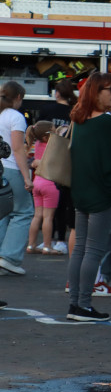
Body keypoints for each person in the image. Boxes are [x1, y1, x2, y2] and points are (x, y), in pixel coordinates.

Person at [65, 72, 111, 321]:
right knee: (93, 250)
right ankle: (83, 305)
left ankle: (75, 304)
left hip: (81, 190)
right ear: (96, 92)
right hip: (102, 192)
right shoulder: (105, 122)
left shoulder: (78, 120)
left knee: (81, 248)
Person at [40, 77, 76, 252]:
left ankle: (47, 239)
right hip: (66, 160)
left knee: (45, 206)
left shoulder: (47, 110)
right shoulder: (73, 112)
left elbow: (37, 130)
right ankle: (61, 239)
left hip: (45, 158)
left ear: (58, 93)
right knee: (63, 203)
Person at [0, 81, 32, 275]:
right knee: (23, 211)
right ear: (18, 97)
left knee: (2, 214)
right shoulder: (15, 117)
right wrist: (27, 177)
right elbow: (18, 149)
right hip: (11, 168)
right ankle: (9, 257)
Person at [25, 121, 59, 255]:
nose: (56, 132)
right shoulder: (53, 145)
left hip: (37, 182)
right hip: (50, 184)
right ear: (47, 135)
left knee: (37, 216)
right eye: (53, 130)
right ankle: (47, 246)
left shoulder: (37, 143)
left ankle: (31, 245)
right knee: (48, 218)